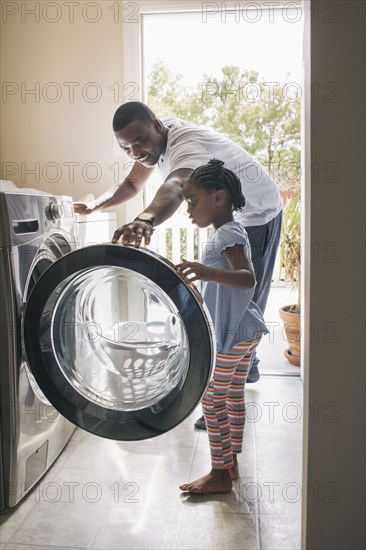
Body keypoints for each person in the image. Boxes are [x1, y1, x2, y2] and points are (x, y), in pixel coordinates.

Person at [73, 101, 282, 402]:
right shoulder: (153, 144)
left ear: (156, 126)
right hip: (228, 211)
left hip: (259, 211)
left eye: (138, 142)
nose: (134, 152)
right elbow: (132, 183)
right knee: (226, 298)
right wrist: (96, 205)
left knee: (242, 299)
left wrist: (145, 220)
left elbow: (175, 184)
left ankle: (226, 387)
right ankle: (245, 367)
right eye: (126, 148)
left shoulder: (187, 146)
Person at [176, 159, 268, 494]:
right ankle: (230, 464)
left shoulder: (228, 232)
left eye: (193, 201)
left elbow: (247, 279)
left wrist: (205, 272)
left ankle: (218, 473)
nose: (188, 210)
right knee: (230, 395)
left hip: (234, 333)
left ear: (218, 198)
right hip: (246, 330)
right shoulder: (228, 231)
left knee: (212, 398)